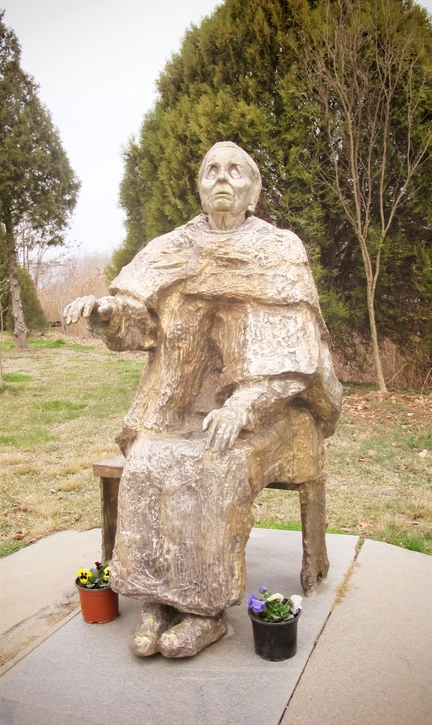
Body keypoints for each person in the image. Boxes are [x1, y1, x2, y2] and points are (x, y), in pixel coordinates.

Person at [64, 142, 342, 658]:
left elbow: (294, 354)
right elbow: (142, 326)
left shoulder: (278, 251)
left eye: (236, 171)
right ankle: (156, 601)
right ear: (199, 186)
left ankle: (205, 612)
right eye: (212, 170)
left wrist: (243, 405)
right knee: (147, 462)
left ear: (253, 191)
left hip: (269, 411)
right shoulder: (172, 248)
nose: (222, 178)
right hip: (178, 408)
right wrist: (107, 313)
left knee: (214, 468)